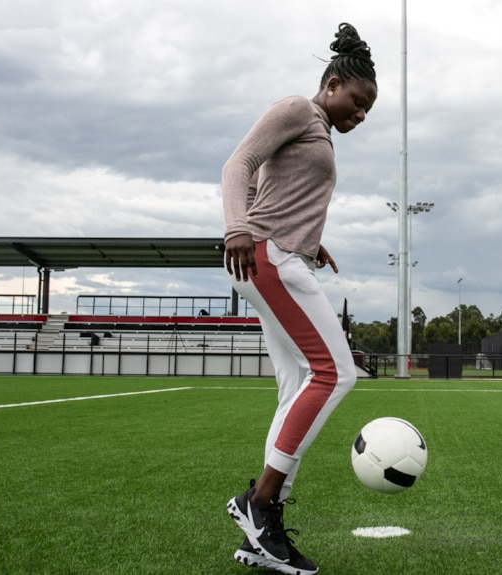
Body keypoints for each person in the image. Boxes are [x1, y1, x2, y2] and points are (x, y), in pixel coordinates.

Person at [222, 23, 377, 575]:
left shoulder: (318, 131)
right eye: (356, 103)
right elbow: (237, 164)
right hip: (265, 256)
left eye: (366, 113)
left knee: (296, 385)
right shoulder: (296, 109)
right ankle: (259, 503)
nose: (358, 117)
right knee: (337, 374)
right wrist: (236, 227)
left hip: (283, 253)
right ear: (332, 84)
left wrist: (314, 243)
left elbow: (282, 190)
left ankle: (263, 527)